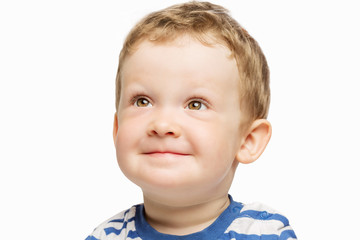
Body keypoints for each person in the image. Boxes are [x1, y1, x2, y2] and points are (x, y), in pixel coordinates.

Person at [86, 1, 297, 239]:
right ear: (117, 129)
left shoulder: (263, 233)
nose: (162, 125)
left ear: (247, 140)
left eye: (195, 104)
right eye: (142, 101)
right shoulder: (107, 235)